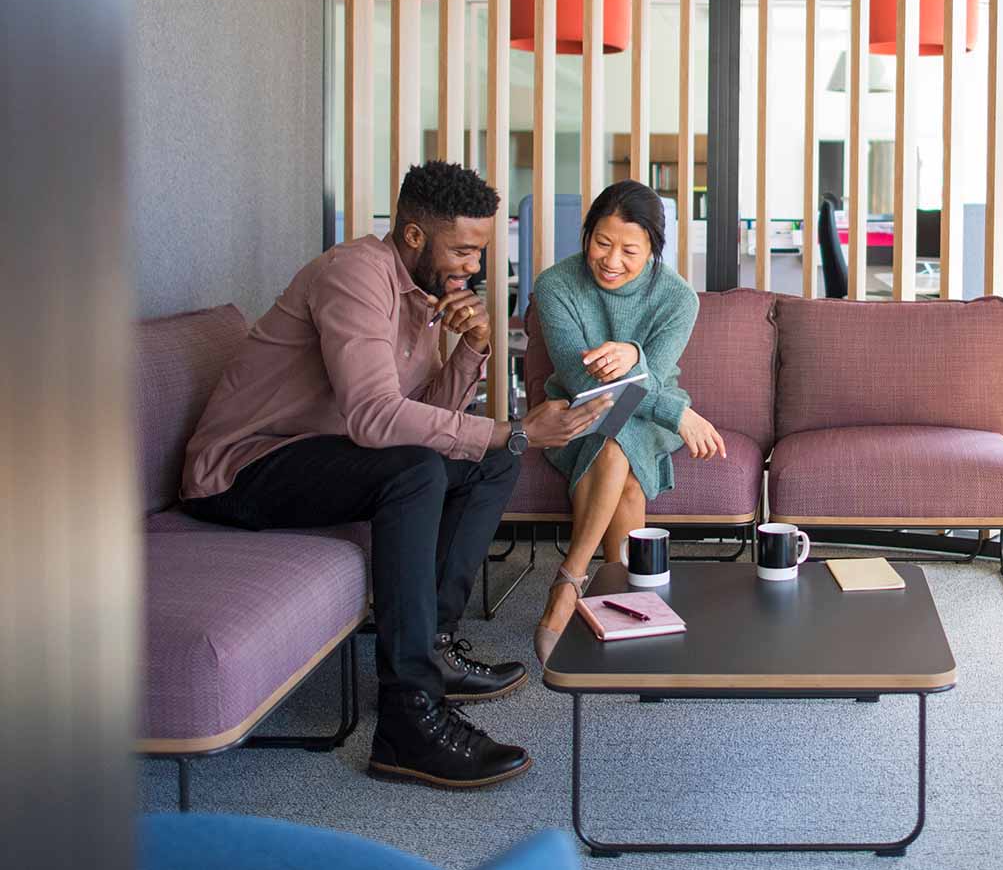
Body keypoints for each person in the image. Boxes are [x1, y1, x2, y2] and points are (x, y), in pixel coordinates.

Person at [180, 160, 610, 789]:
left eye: (481, 250)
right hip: (243, 467)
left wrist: (472, 352)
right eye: (463, 249)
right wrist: (512, 427)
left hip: (326, 455)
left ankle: (434, 642)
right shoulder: (354, 276)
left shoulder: (420, 296)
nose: (474, 266)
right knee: (426, 467)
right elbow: (376, 419)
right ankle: (408, 720)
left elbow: (428, 423)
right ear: (413, 235)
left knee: (488, 461)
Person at [530, 180, 726, 663]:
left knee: (621, 438)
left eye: (629, 250)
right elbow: (581, 381)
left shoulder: (678, 298)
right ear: (587, 235)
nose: (612, 260)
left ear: (653, 251)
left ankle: (570, 583)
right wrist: (678, 414)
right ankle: (625, 608)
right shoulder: (556, 285)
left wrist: (634, 358)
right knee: (623, 462)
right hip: (579, 409)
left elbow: (653, 379)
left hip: (648, 409)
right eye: (602, 243)